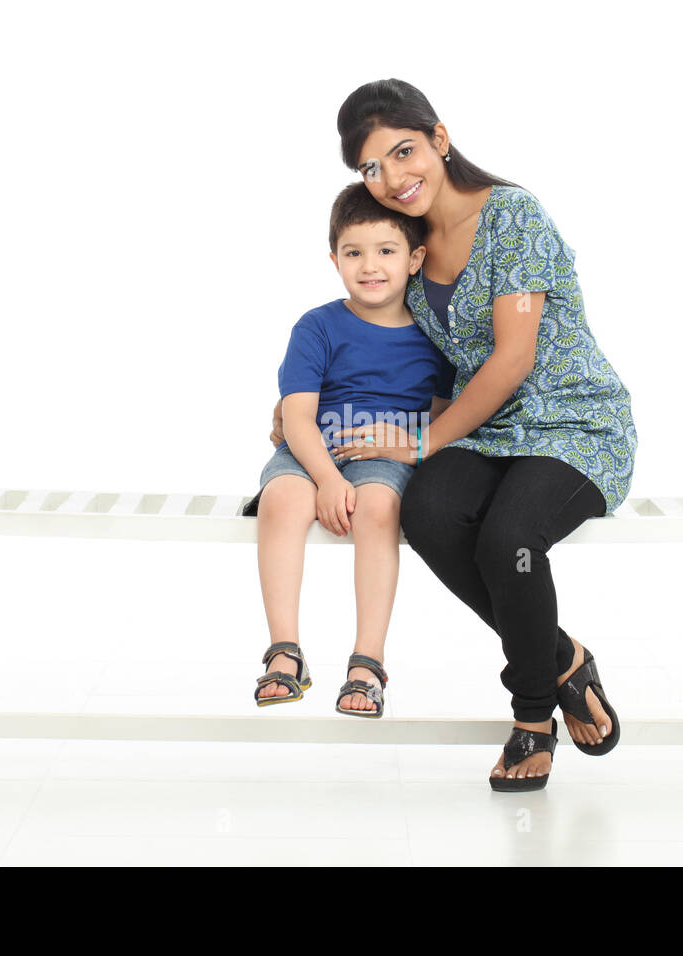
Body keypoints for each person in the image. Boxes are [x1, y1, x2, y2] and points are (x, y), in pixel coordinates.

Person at [268, 79, 639, 790]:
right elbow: (375, 343)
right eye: (371, 168)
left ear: (440, 138)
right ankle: (559, 655)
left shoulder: (514, 217)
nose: (392, 179)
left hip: (573, 425)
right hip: (484, 432)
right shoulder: (404, 246)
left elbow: (512, 359)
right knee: (429, 512)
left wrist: (420, 443)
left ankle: (533, 712)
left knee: (511, 541)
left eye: (404, 152)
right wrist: (297, 411)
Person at [244, 181, 456, 718]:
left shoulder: (435, 335)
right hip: (311, 446)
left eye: (386, 251)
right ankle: (284, 650)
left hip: (385, 458)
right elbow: (295, 415)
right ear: (334, 257)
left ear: (415, 258)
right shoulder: (318, 325)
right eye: (353, 252)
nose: (370, 265)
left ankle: (367, 662)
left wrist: (409, 448)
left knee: (379, 508)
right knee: (282, 500)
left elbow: (442, 415)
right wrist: (328, 478)